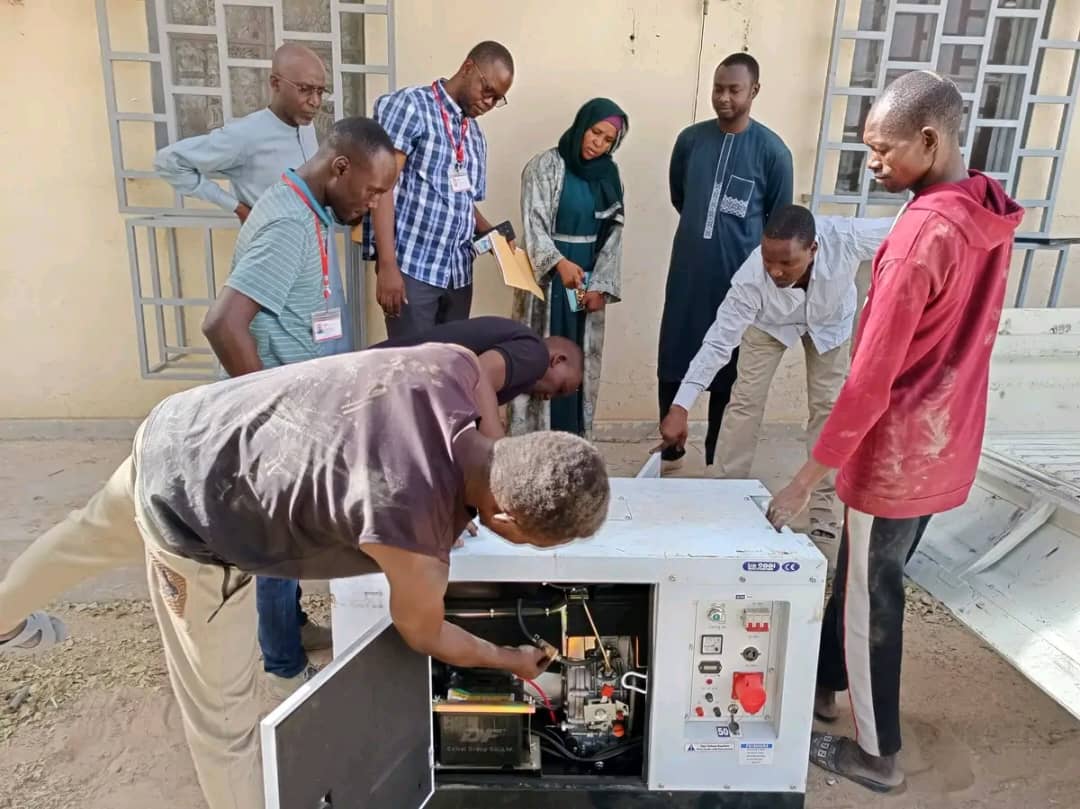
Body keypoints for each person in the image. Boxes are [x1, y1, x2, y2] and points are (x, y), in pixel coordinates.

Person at [0, 343, 611, 809]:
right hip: (194, 515)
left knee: (86, 534)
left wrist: (474, 490)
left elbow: (476, 387)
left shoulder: (453, 367)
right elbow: (426, 634)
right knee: (225, 721)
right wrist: (509, 660)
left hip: (182, 425)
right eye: (532, 541)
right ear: (504, 516)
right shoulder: (413, 536)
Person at [765, 71, 1022, 793]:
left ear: (930, 140)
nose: (872, 163)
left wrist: (805, 479)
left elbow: (870, 379)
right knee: (864, 573)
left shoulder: (918, 237)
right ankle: (823, 687)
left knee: (872, 597)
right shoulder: (983, 208)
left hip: (897, 450)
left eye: (882, 149)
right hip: (946, 436)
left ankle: (877, 754)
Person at [201, 115, 397, 697]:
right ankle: (283, 669)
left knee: (289, 534)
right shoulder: (289, 223)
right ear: (340, 167)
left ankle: (288, 627)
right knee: (280, 542)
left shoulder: (306, 208)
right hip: (275, 413)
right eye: (372, 191)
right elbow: (223, 325)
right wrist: (275, 418)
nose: (374, 204)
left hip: (297, 402)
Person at [658, 205, 893, 571]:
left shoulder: (845, 238)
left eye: (787, 263)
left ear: (814, 249)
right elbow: (718, 342)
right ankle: (723, 495)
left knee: (829, 407)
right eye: (769, 260)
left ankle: (823, 514)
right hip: (768, 324)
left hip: (830, 322)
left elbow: (909, 227)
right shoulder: (751, 279)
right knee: (745, 400)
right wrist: (681, 404)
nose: (776, 271)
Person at [657, 52, 793, 471]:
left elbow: (778, 222)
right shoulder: (690, 141)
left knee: (727, 374)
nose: (723, 98)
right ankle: (671, 452)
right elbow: (681, 197)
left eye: (734, 90)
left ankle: (716, 462)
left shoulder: (773, 153)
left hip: (738, 283)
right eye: (718, 89)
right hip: (687, 275)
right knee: (673, 360)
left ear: (754, 91)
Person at [361, 41, 516, 338]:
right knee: (413, 362)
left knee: (451, 363)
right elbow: (382, 187)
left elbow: (461, 200)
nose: (489, 102)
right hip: (413, 270)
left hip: (458, 275)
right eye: (487, 90)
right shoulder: (412, 107)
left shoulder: (474, 135)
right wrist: (387, 264)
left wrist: (492, 234)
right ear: (468, 67)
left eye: (498, 99)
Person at [511, 98, 629, 437]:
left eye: (608, 140)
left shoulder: (609, 177)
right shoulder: (544, 166)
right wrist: (558, 263)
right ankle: (534, 438)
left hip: (585, 281)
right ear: (582, 125)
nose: (598, 143)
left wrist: (600, 285)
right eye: (595, 132)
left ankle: (574, 437)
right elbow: (533, 224)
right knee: (543, 355)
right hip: (548, 280)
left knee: (578, 356)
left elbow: (614, 234)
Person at [154, 44, 326, 225]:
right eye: (304, 89)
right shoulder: (246, 135)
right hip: (272, 241)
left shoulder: (306, 127)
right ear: (276, 84)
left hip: (313, 239)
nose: (315, 102)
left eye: (320, 92)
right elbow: (169, 161)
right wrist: (237, 207)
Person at [372, 315, 584, 417]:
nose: (548, 397)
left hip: (382, 388)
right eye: (560, 389)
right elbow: (479, 375)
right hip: (378, 386)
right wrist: (496, 450)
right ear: (558, 360)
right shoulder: (535, 354)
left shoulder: (519, 353)